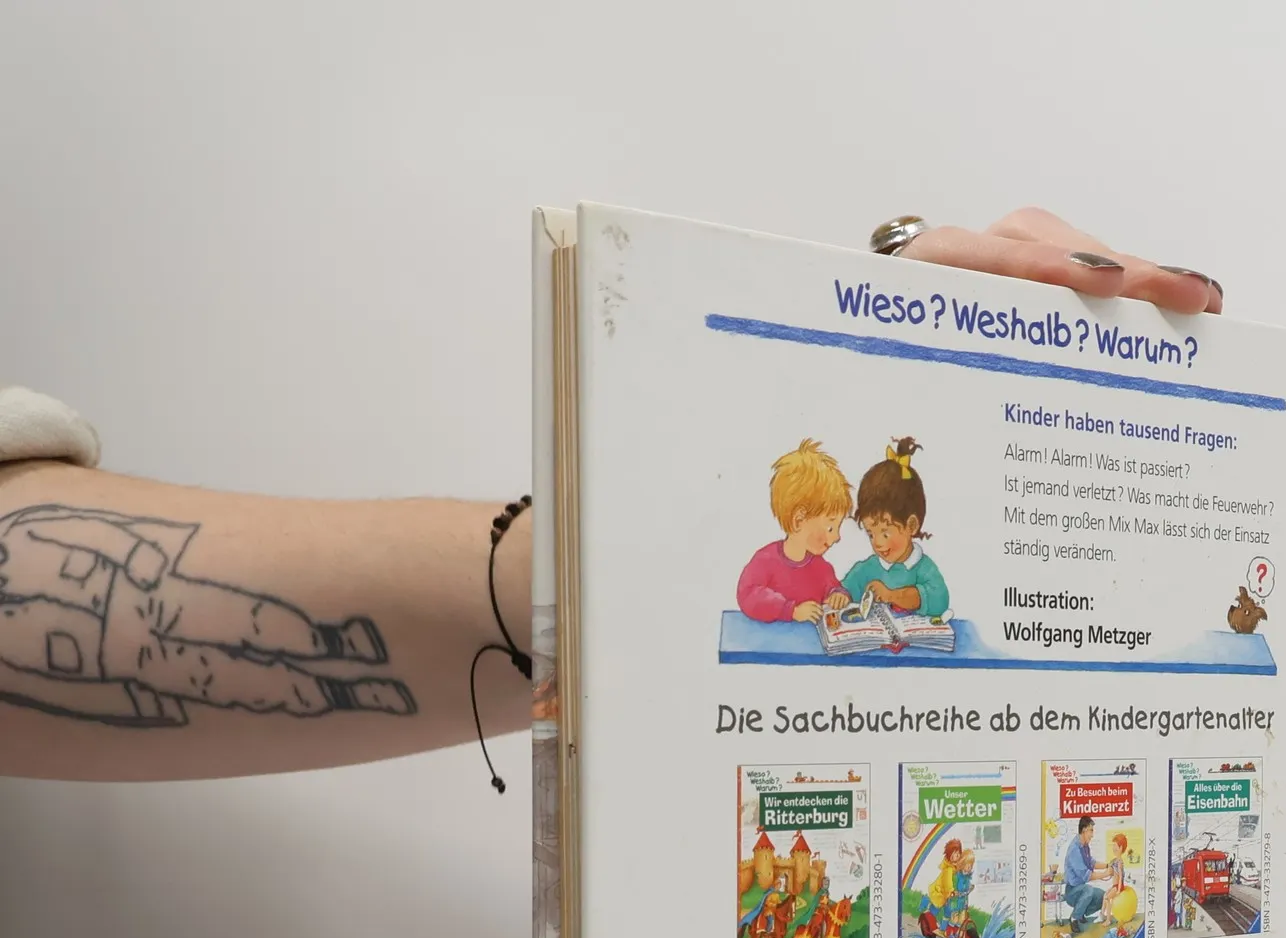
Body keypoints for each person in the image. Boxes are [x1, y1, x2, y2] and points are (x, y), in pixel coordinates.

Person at [1, 208, 1218, 783]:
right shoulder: (783, 569)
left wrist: (871, 374)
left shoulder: (879, 562)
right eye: (847, 520)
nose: (857, 535)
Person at [734, 438, 855, 626]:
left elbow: (833, 587)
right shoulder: (765, 561)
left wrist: (838, 595)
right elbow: (747, 595)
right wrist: (791, 611)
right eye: (830, 528)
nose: (837, 537)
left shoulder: (821, 568)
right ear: (798, 521)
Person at [840, 438, 948, 619]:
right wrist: (840, 596)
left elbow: (940, 600)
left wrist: (892, 595)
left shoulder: (924, 569)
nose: (877, 543)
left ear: (911, 526)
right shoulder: (867, 569)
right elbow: (844, 589)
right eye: (870, 534)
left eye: (885, 533)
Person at [1059, 817, 1111, 938]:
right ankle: (1074, 918)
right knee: (1089, 890)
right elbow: (1087, 876)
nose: (1092, 835)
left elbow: (1091, 863)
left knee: (1104, 896)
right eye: (1091, 831)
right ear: (1083, 830)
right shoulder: (1074, 849)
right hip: (1072, 891)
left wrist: (1108, 865)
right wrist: (1106, 874)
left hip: (1081, 889)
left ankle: (1080, 912)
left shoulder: (1084, 846)